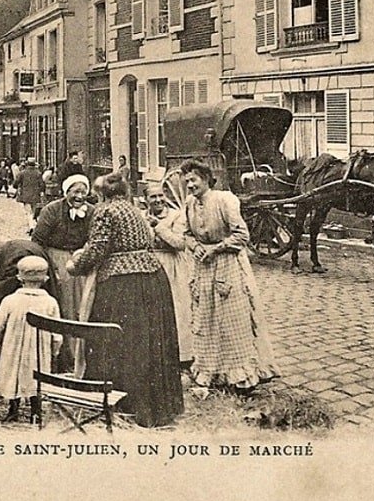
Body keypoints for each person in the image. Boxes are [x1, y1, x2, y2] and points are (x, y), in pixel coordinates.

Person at [67, 172, 183, 428]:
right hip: (153, 278)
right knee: (150, 341)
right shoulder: (134, 211)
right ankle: (157, 405)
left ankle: (125, 404)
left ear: (101, 194)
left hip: (123, 283)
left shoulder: (105, 211)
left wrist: (75, 266)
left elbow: (98, 249)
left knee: (120, 341)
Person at [180, 159, 279, 393]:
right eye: (186, 182)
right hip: (203, 266)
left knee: (233, 320)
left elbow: (242, 235)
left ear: (205, 179)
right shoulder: (189, 204)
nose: (190, 185)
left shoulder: (224, 200)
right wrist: (196, 247)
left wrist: (216, 248)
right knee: (207, 319)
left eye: (193, 180)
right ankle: (212, 373)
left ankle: (241, 377)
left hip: (228, 264)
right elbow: (186, 234)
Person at [0, 255, 62, 422]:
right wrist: (54, 350)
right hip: (39, 351)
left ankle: (13, 409)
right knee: (37, 375)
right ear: (45, 278)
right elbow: (57, 334)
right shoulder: (50, 302)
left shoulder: (10, 300)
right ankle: (35, 412)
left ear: (19, 278)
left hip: (13, 349)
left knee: (13, 372)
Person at [32, 174, 94, 363]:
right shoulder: (52, 210)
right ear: (66, 192)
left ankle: (81, 354)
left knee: (83, 303)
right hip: (56, 257)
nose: (80, 196)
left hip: (80, 258)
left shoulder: (91, 212)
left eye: (83, 192)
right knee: (64, 304)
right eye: (75, 191)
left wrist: (84, 254)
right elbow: (37, 241)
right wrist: (49, 267)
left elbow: (95, 238)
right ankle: (64, 354)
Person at [144, 184, 194, 367]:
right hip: (150, 265)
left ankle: (182, 355)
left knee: (177, 307)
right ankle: (157, 353)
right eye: (153, 197)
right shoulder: (142, 217)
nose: (157, 200)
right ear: (146, 200)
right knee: (153, 309)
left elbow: (180, 243)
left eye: (160, 196)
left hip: (172, 265)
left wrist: (159, 227)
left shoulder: (177, 216)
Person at [13, 158, 45, 235]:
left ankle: (31, 227)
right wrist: (41, 191)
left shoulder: (23, 173)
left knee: (28, 212)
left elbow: (16, 183)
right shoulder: (38, 173)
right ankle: (32, 226)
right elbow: (42, 184)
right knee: (33, 211)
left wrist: (16, 186)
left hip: (25, 195)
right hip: (35, 195)